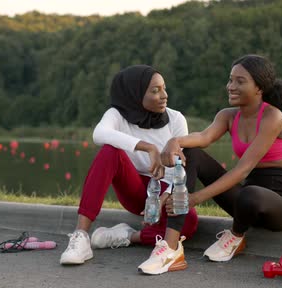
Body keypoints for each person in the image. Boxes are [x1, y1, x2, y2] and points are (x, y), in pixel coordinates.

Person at [161, 54, 282, 262]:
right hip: (247, 204)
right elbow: (203, 137)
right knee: (192, 154)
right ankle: (170, 247)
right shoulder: (227, 116)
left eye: (240, 81)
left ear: (259, 88)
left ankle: (236, 237)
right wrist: (175, 141)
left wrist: (195, 199)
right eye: (230, 79)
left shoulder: (272, 117)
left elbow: (243, 170)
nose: (231, 86)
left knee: (251, 193)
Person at [59, 65, 198, 274]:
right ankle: (81, 237)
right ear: (134, 94)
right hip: (133, 189)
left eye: (164, 88)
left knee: (190, 222)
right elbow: (99, 133)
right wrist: (147, 146)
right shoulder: (117, 115)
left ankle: (127, 235)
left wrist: (165, 197)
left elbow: (182, 169)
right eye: (155, 91)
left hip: (166, 191)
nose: (164, 96)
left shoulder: (176, 119)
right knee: (109, 152)